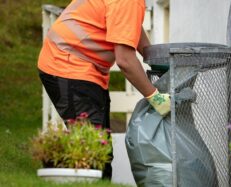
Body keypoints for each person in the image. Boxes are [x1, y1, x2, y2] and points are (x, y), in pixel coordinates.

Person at [37, 0, 170, 179]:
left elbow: (129, 27)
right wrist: (155, 97)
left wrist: (154, 58)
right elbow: (125, 61)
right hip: (68, 66)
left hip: (74, 64)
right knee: (94, 157)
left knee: (100, 150)